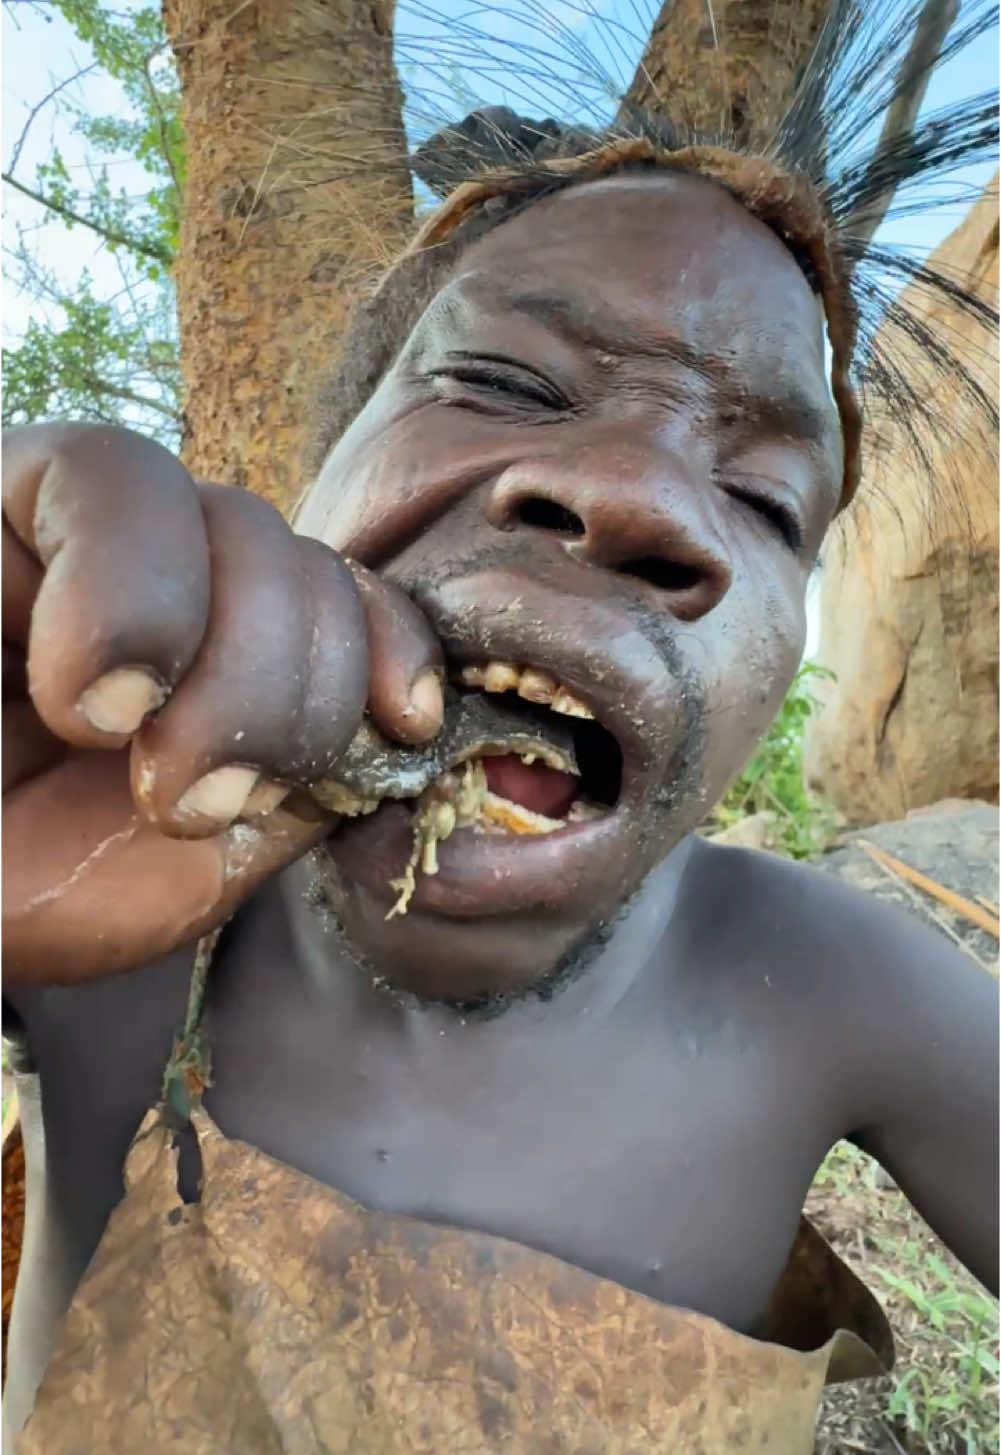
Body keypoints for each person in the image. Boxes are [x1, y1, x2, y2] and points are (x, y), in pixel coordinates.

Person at [3, 7, 998, 1451]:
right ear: (311, 479)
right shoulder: (99, 873)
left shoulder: (836, 993)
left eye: (768, 503)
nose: (638, 500)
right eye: (507, 382)